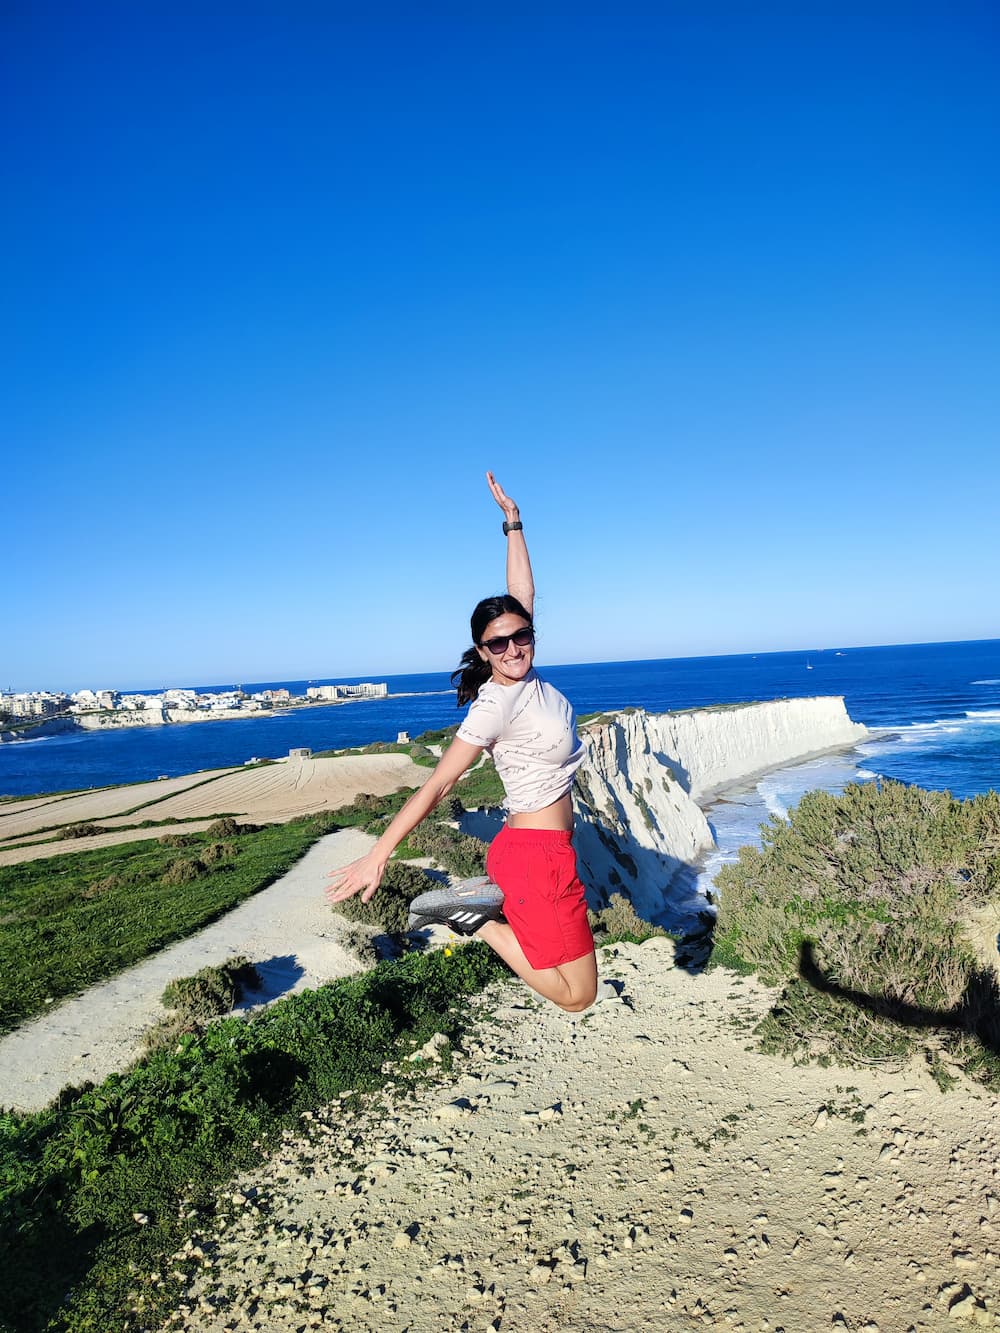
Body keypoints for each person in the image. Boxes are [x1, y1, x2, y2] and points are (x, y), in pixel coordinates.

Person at [325, 472, 598, 1012]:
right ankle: (475, 921)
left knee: (576, 986)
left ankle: (477, 909)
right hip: (533, 858)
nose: (515, 647)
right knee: (577, 997)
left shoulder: (525, 668)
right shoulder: (495, 703)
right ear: (482, 650)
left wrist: (513, 522)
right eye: (500, 643)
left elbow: (523, 593)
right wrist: (379, 855)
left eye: (523, 636)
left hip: (546, 852)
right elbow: (440, 781)